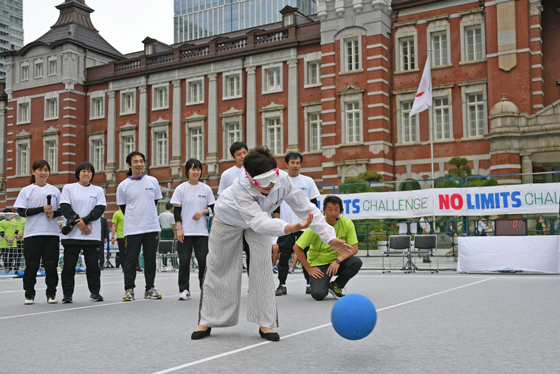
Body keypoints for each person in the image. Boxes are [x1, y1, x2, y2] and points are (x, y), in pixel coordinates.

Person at [191, 146, 352, 341]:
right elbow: (259, 222)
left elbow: (306, 209)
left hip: (261, 221)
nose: (269, 186)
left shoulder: (282, 180)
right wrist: (289, 228)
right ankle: (208, 320)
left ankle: (265, 323)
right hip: (227, 219)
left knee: (263, 268)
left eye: (271, 179)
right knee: (219, 267)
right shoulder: (241, 188)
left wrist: (329, 237)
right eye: (263, 182)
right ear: (250, 178)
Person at [293, 195, 361, 300]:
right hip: (319, 264)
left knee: (356, 262)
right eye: (329, 209)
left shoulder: (347, 224)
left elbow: (354, 249)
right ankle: (321, 284)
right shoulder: (316, 225)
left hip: (337, 262)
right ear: (324, 210)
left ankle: (336, 285)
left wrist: (337, 261)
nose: (333, 213)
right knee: (318, 295)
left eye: (336, 209)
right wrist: (309, 269)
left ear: (341, 210)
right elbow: (297, 247)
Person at [13, 160, 62, 305]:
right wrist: (41, 209)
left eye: (46, 170)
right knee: (32, 265)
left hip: (51, 234)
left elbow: (62, 210)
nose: (43, 173)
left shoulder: (55, 190)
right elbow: (21, 211)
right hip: (32, 234)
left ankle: (51, 293)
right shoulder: (27, 190)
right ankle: (29, 294)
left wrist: (53, 213)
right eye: (40, 170)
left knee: (51, 265)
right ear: (33, 172)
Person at [117, 151, 163, 301]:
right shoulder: (123, 186)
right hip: (133, 228)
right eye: (135, 161)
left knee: (150, 259)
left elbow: (154, 202)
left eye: (141, 161)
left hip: (151, 227)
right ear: (129, 165)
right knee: (131, 259)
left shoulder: (153, 181)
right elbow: (124, 208)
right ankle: (129, 289)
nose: (139, 164)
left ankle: (150, 288)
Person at [59, 162, 106, 303]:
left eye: (89, 171)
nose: (87, 173)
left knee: (92, 266)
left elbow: (99, 209)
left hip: (91, 235)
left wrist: (85, 220)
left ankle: (95, 292)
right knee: (68, 266)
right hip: (72, 235)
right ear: (78, 173)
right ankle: (67, 294)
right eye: (84, 171)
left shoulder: (98, 190)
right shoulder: (69, 188)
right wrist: (79, 222)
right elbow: (65, 207)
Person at [275, 152, 320, 296]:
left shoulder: (308, 181)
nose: (295, 165)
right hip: (286, 225)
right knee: (284, 255)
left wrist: (310, 223)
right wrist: (278, 221)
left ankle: (309, 284)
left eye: (298, 163)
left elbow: (313, 204)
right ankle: (282, 285)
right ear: (286, 164)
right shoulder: (280, 181)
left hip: (304, 225)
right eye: (292, 163)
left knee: (306, 255)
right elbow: (275, 203)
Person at [170, 158, 215, 301]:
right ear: (187, 171)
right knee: (184, 261)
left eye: (198, 169)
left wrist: (203, 211)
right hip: (185, 231)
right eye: (193, 169)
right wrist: (179, 229)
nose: (196, 172)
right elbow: (176, 211)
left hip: (201, 232)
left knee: (203, 261)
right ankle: (184, 289)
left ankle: (205, 288)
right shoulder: (181, 188)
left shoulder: (206, 189)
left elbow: (213, 209)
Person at [217, 141, 251, 274]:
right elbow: (221, 199)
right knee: (232, 254)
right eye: (239, 154)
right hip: (233, 221)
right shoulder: (227, 174)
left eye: (244, 153)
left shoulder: (254, 170)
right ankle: (230, 286)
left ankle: (253, 286)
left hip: (250, 219)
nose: (242, 156)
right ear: (233, 157)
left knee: (251, 253)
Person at [0, 209, 17, 273]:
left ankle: (12, 267)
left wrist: (12, 239)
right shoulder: (1, 222)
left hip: (13, 242)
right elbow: (1, 232)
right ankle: (6, 268)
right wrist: (8, 239)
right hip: (4, 243)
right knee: (5, 256)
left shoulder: (14, 222)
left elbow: (16, 231)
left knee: (13, 255)